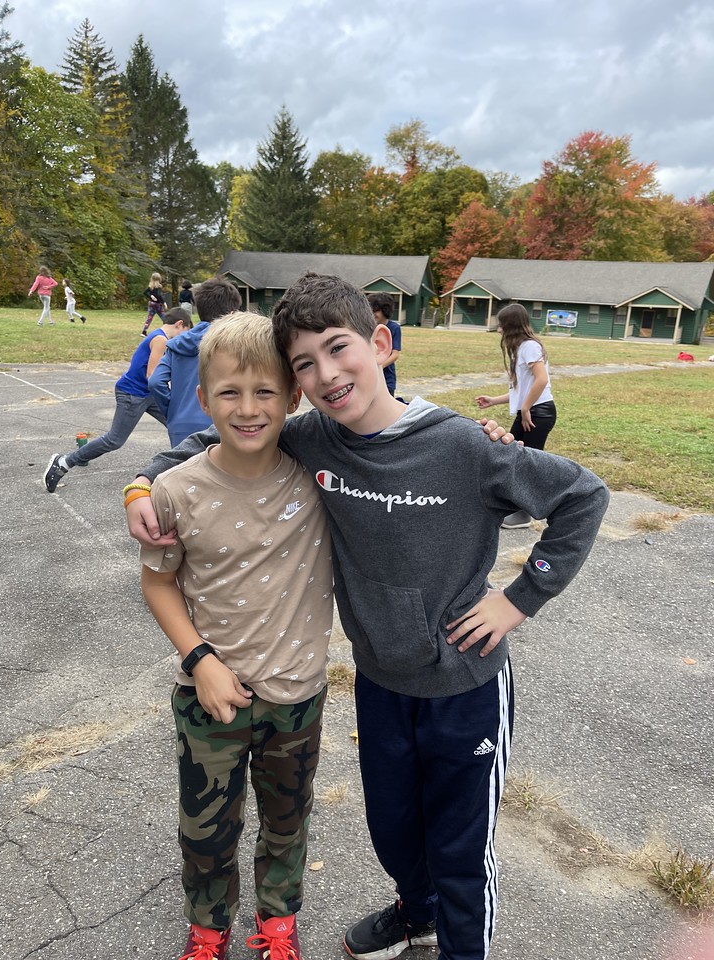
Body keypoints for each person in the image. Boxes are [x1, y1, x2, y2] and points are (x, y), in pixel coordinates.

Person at [125, 273, 609, 960]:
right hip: (381, 684)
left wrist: (518, 598)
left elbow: (583, 497)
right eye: (304, 364)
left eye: (338, 348)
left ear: (380, 343)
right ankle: (416, 913)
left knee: (460, 848)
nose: (326, 373)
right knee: (393, 829)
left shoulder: (464, 446)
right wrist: (141, 481)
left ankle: (460, 944)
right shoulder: (314, 440)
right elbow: (224, 439)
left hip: (463, 688)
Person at [138, 311, 333, 960]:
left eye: (265, 393)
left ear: (293, 399)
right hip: (207, 699)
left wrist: (487, 435)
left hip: (297, 700)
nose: (248, 409)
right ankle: (208, 924)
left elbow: (389, 432)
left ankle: (278, 921)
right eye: (229, 393)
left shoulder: (319, 474)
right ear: (202, 399)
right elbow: (158, 583)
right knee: (205, 831)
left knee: (287, 823)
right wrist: (200, 660)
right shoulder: (175, 490)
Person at [43, 308, 192, 493]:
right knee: (114, 440)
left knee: (178, 424)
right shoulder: (161, 340)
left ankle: (186, 471)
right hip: (133, 394)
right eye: (186, 332)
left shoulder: (159, 337)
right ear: (179, 324)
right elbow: (152, 376)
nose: (184, 338)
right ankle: (64, 462)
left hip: (147, 394)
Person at [476, 302, 557, 530]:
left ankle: (524, 514)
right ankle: (513, 506)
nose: (498, 329)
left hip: (538, 413)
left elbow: (541, 380)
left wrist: (527, 409)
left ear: (511, 325)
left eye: (501, 325)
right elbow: (523, 390)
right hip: (531, 411)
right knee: (512, 455)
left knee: (524, 462)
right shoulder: (522, 348)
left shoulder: (530, 346)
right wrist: (494, 400)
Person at [148, 277, 242, 447]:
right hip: (220, 422)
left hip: (180, 423)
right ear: (232, 313)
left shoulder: (176, 344)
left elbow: (155, 382)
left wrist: (172, 411)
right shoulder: (233, 343)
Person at [368, 293, 401, 395]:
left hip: (387, 379)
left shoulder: (394, 328)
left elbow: (395, 354)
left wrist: (379, 366)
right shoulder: (368, 327)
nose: (373, 315)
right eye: (370, 311)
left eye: (376, 311)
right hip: (370, 376)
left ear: (385, 310)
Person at [142, 272, 167, 336]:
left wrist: (151, 296)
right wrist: (164, 302)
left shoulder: (150, 286)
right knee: (164, 317)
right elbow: (159, 295)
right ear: (159, 279)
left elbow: (145, 292)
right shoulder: (159, 286)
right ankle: (167, 330)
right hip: (157, 305)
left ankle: (144, 331)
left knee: (149, 318)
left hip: (151, 304)